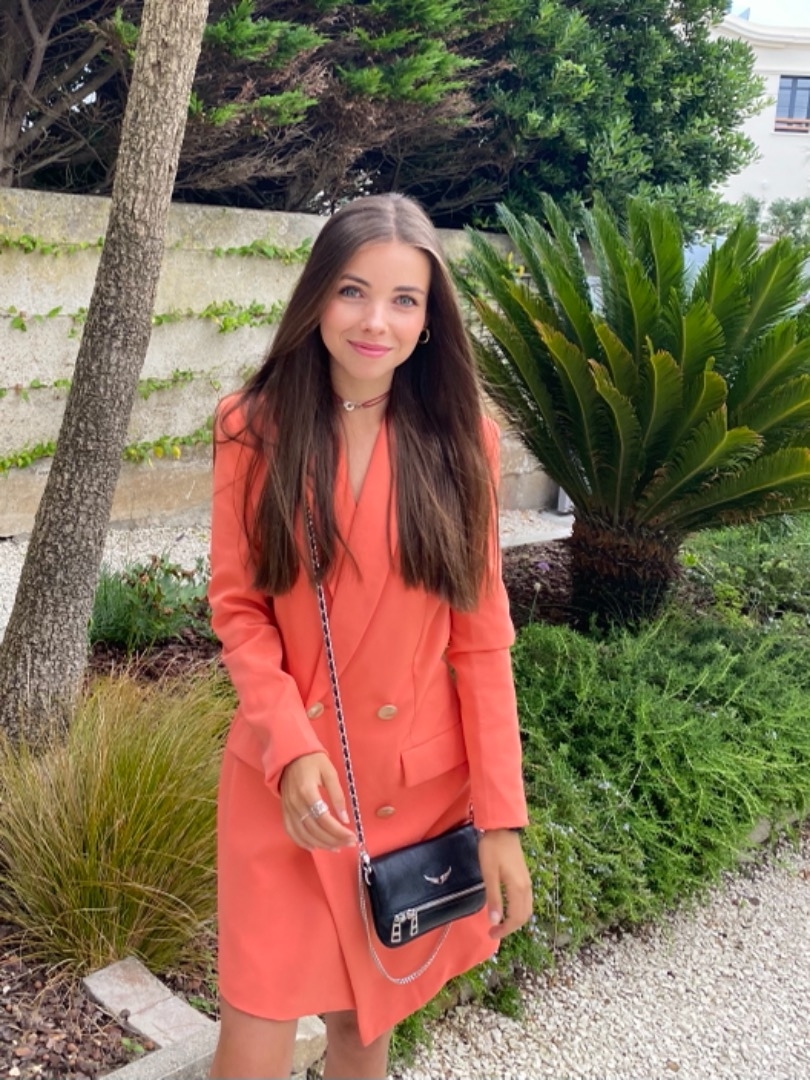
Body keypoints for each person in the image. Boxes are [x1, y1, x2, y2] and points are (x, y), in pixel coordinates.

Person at [207, 193, 532, 1080]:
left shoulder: (462, 442)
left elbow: (481, 641)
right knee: (252, 1043)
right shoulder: (251, 426)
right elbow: (239, 608)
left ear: (429, 322)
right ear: (317, 297)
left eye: (403, 300)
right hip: (285, 786)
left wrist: (501, 821)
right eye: (352, 291)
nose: (375, 322)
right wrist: (288, 744)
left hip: (408, 793)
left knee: (363, 1029)